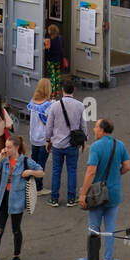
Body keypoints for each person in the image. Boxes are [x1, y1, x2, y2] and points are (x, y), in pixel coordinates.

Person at [0, 134, 43, 260]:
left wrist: (30, 172)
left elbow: (41, 172)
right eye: (6, 146)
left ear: (16, 147)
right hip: (2, 200)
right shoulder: (3, 161)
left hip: (17, 201)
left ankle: (16, 258)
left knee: (16, 230)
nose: (6, 149)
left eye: (9, 147)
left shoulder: (25, 161)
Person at [77, 117, 130, 260]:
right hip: (113, 192)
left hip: (96, 193)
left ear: (102, 130)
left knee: (94, 228)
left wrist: (83, 194)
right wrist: (116, 174)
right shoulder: (119, 145)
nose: (94, 129)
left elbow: (91, 171)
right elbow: (127, 166)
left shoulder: (96, 147)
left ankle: (91, 259)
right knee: (110, 228)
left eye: (96, 127)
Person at [44, 78, 87, 207]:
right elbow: (83, 125)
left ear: (62, 90)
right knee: (72, 170)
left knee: (56, 171)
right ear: (74, 90)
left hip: (57, 144)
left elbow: (49, 125)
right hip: (73, 144)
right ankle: (71, 198)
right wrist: (84, 140)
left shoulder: (54, 106)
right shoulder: (80, 105)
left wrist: (47, 140)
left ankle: (54, 199)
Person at [26, 78, 53, 193]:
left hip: (33, 137)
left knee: (34, 160)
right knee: (41, 164)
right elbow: (49, 123)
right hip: (43, 138)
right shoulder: (47, 105)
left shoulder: (32, 102)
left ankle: (31, 184)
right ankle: (38, 187)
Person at [44, 24, 64, 96]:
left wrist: (46, 60)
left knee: (52, 76)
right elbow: (62, 49)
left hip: (51, 60)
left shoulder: (48, 39)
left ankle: (52, 92)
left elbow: (46, 51)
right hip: (58, 59)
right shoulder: (60, 38)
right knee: (57, 75)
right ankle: (58, 91)